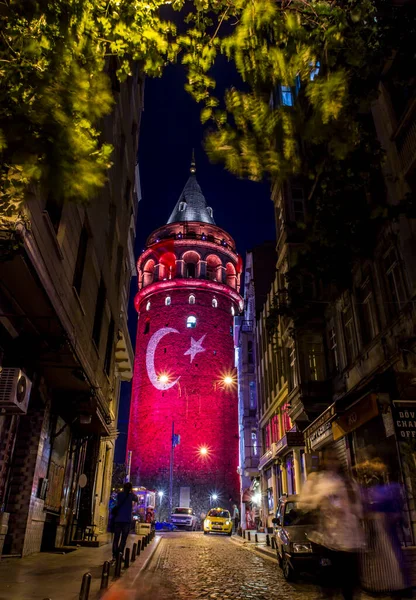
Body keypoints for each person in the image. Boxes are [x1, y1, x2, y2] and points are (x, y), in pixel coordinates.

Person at [299, 448, 365, 600]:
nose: (332, 463)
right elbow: (303, 503)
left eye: (335, 459)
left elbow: (358, 508)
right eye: (328, 459)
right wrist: (320, 500)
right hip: (326, 542)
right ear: (322, 461)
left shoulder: (348, 482)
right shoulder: (315, 480)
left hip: (350, 542)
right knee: (329, 587)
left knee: (349, 588)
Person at [356, 458, 410, 598]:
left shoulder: (388, 489)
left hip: (384, 530)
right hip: (376, 531)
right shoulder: (368, 491)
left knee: (391, 559)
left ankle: (395, 586)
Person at [112, 482, 138, 560]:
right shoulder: (131, 496)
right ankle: (120, 554)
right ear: (130, 488)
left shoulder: (120, 495)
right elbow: (136, 499)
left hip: (118, 519)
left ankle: (114, 555)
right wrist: (132, 491)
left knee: (116, 538)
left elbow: (116, 502)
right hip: (126, 520)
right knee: (123, 539)